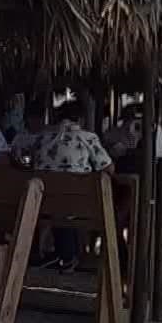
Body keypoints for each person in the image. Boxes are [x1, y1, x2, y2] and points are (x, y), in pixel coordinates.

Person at [30, 98, 112, 269]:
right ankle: (71, 255)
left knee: (60, 204)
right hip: (77, 202)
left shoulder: (42, 137)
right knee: (75, 202)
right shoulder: (87, 137)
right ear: (81, 119)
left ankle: (65, 254)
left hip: (42, 200)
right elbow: (108, 168)